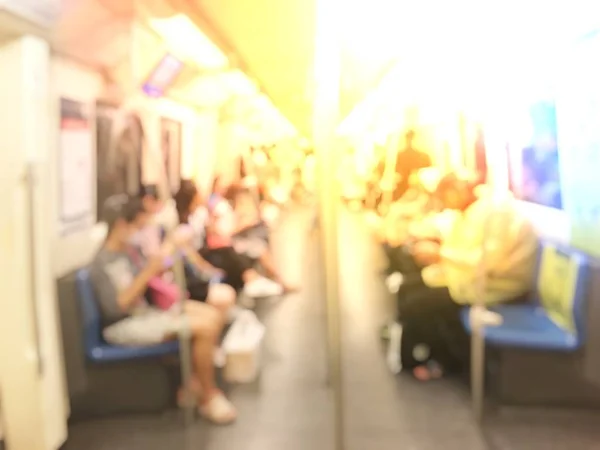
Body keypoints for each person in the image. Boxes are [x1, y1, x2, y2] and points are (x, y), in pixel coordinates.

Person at [90, 195, 237, 424]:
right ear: (121, 225)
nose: (139, 232)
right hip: (124, 324)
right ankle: (209, 397)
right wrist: (149, 271)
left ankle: (193, 385)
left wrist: (160, 264)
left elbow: (146, 282)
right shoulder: (101, 264)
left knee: (212, 315)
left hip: (146, 313)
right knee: (205, 327)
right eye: (137, 226)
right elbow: (116, 307)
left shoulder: (130, 252)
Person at [395, 173, 538, 380]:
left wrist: (439, 255)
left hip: (497, 285)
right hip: (473, 278)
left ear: (456, 191)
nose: (445, 205)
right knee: (409, 289)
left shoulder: (495, 213)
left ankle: (444, 361)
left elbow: (488, 262)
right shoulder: (475, 211)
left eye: (445, 197)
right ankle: (419, 355)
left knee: (417, 303)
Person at [134, 184, 237, 317]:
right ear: (148, 201)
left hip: (177, 278)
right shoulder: (145, 235)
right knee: (223, 297)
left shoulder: (159, 228)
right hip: (166, 286)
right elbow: (156, 266)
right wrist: (171, 246)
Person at [174, 181, 284, 298]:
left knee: (236, 249)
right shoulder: (183, 226)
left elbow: (212, 231)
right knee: (229, 252)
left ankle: (254, 279)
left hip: (210, 247)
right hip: (202, 254)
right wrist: (207, 268)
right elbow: (192, 254)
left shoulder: (199, 213)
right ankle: (252, 279)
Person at [393, 129, 432, 201]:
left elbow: (430, 177)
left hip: (421, 194)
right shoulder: (400, 156)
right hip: (403, 193)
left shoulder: (424, 157)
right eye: (409, 139)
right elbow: (397, 175)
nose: (410, 142)